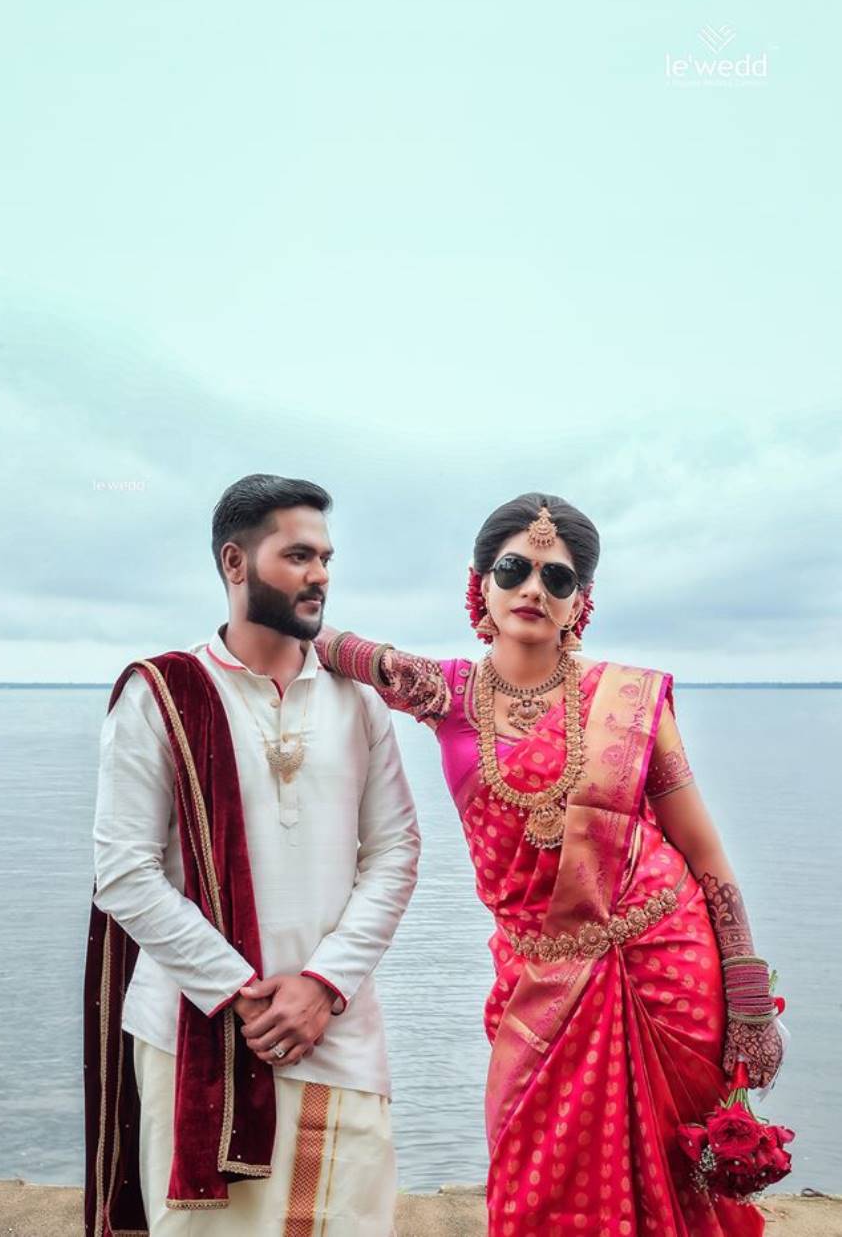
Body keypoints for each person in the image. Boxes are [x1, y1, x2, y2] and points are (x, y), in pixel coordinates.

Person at [314, 491, 785, 1237]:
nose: (534, 587)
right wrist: (273, 600)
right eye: (513, 569)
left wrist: (750, 997)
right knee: (535, 1179)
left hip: (664, 969)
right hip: (540, 978)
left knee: (680, 1184)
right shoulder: (446, 692)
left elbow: (705, 852)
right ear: (481, 586)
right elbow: (334, 645)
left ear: (580, 603)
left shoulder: (627, 700)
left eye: (557, 578)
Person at [84, 473, 420, 1237]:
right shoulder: (164, 693)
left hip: (338, 1029)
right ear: (236, 563)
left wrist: (323, 984)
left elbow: (397, 848)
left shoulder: (356, 699)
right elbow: (124, 870)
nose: (321, 574)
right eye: (299, 554)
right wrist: (243, 992)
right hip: (195, 1031)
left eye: (327, 557)